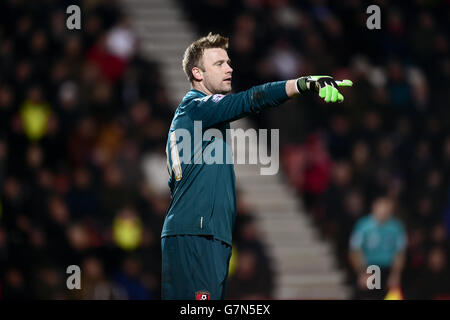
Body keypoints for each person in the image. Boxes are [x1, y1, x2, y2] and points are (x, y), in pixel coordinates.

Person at [161, 33, 353, 300]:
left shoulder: (201, 118)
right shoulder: (196, 108)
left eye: (228, 62)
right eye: (219, 64)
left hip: (205, 233)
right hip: (197, 234)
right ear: (198, 73)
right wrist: (302, 83)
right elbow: (251, 99)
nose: (229, 68)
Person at [349, 196, 407, 299]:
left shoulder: (396, 227)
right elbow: (355, 251)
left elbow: (400, 252)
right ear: (374, 208)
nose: (383, 213)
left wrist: (395, 274)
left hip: (388, 268)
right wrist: (362, 273)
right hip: (370, 269)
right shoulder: (363, 226)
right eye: (381, 210)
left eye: (386, 211)